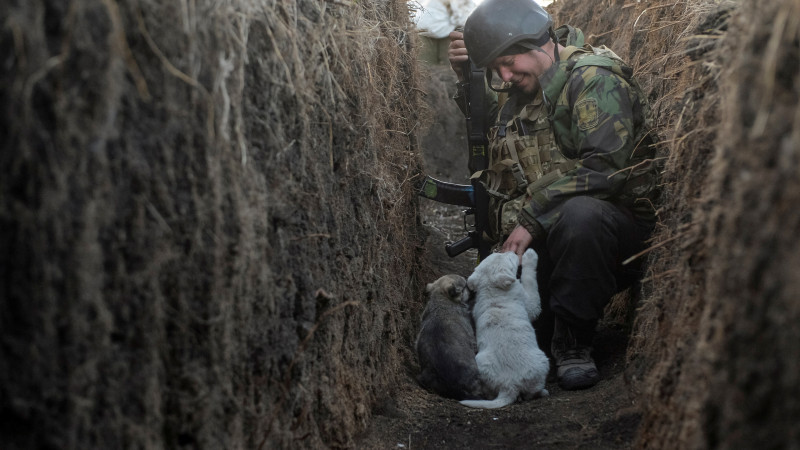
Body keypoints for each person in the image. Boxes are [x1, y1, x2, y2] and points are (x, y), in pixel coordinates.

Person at [447, 0, 659, 390]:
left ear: (533, 40)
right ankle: (552, 327)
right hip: (550, 243)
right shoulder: (524, 88)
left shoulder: (592, 79)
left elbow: (606, 170)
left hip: (609, 236)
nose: (505, 76)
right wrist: (467, 79)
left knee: (582, 215)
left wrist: (530, 219)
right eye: (496, 70)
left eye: (508, 63)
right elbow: (496, 142)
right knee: (515, 334)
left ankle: (574, 343)